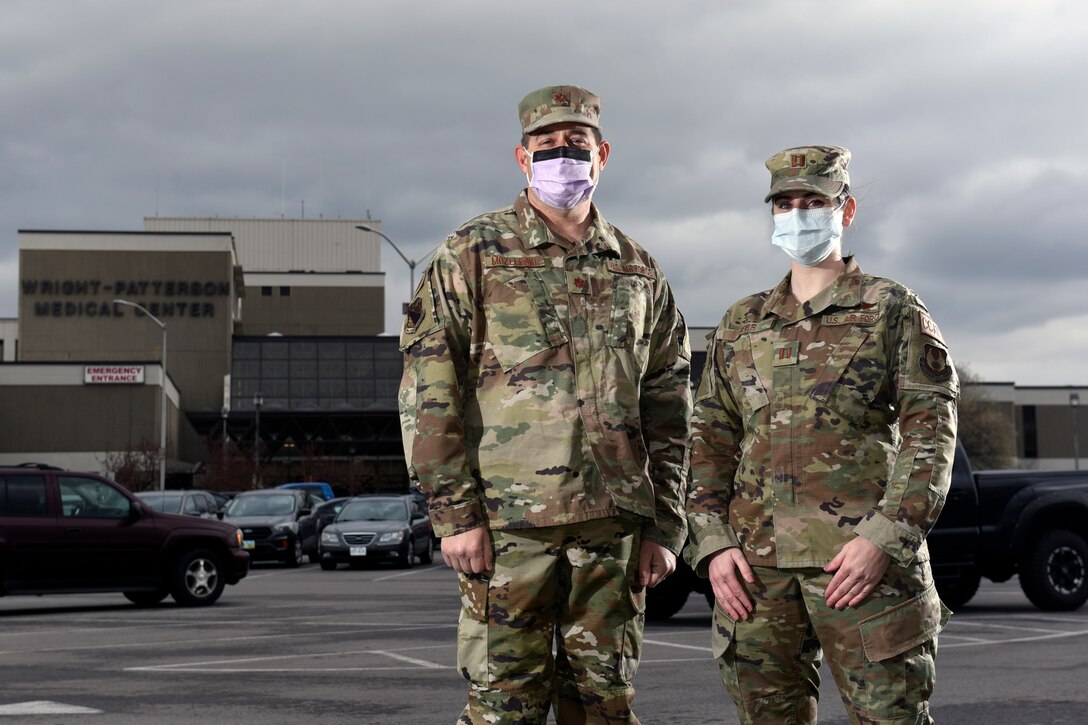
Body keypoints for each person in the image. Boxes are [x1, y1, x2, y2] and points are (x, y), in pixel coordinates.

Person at [398, 85, 692, 724]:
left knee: (604, 706)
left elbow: (670, 402)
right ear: (521, 156)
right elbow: (430, 385)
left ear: (603, 154)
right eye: (548, 146)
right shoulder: (472, 253)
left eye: (577, 146)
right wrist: (453, 513)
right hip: (509, 529)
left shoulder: (638, 270)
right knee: (505, 708)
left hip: (613, 528)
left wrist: (666, 525)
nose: (564, 158)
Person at [686, 145, 959, 724]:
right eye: (785, 204)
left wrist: (886, 537)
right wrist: (712, 544)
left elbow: (930, 433)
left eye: (814, 201)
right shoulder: (743, 322)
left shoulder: (891, 308)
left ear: (846, 209)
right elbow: (709, 437)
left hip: (861, 569)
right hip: (756, 575)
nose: (798, 214)